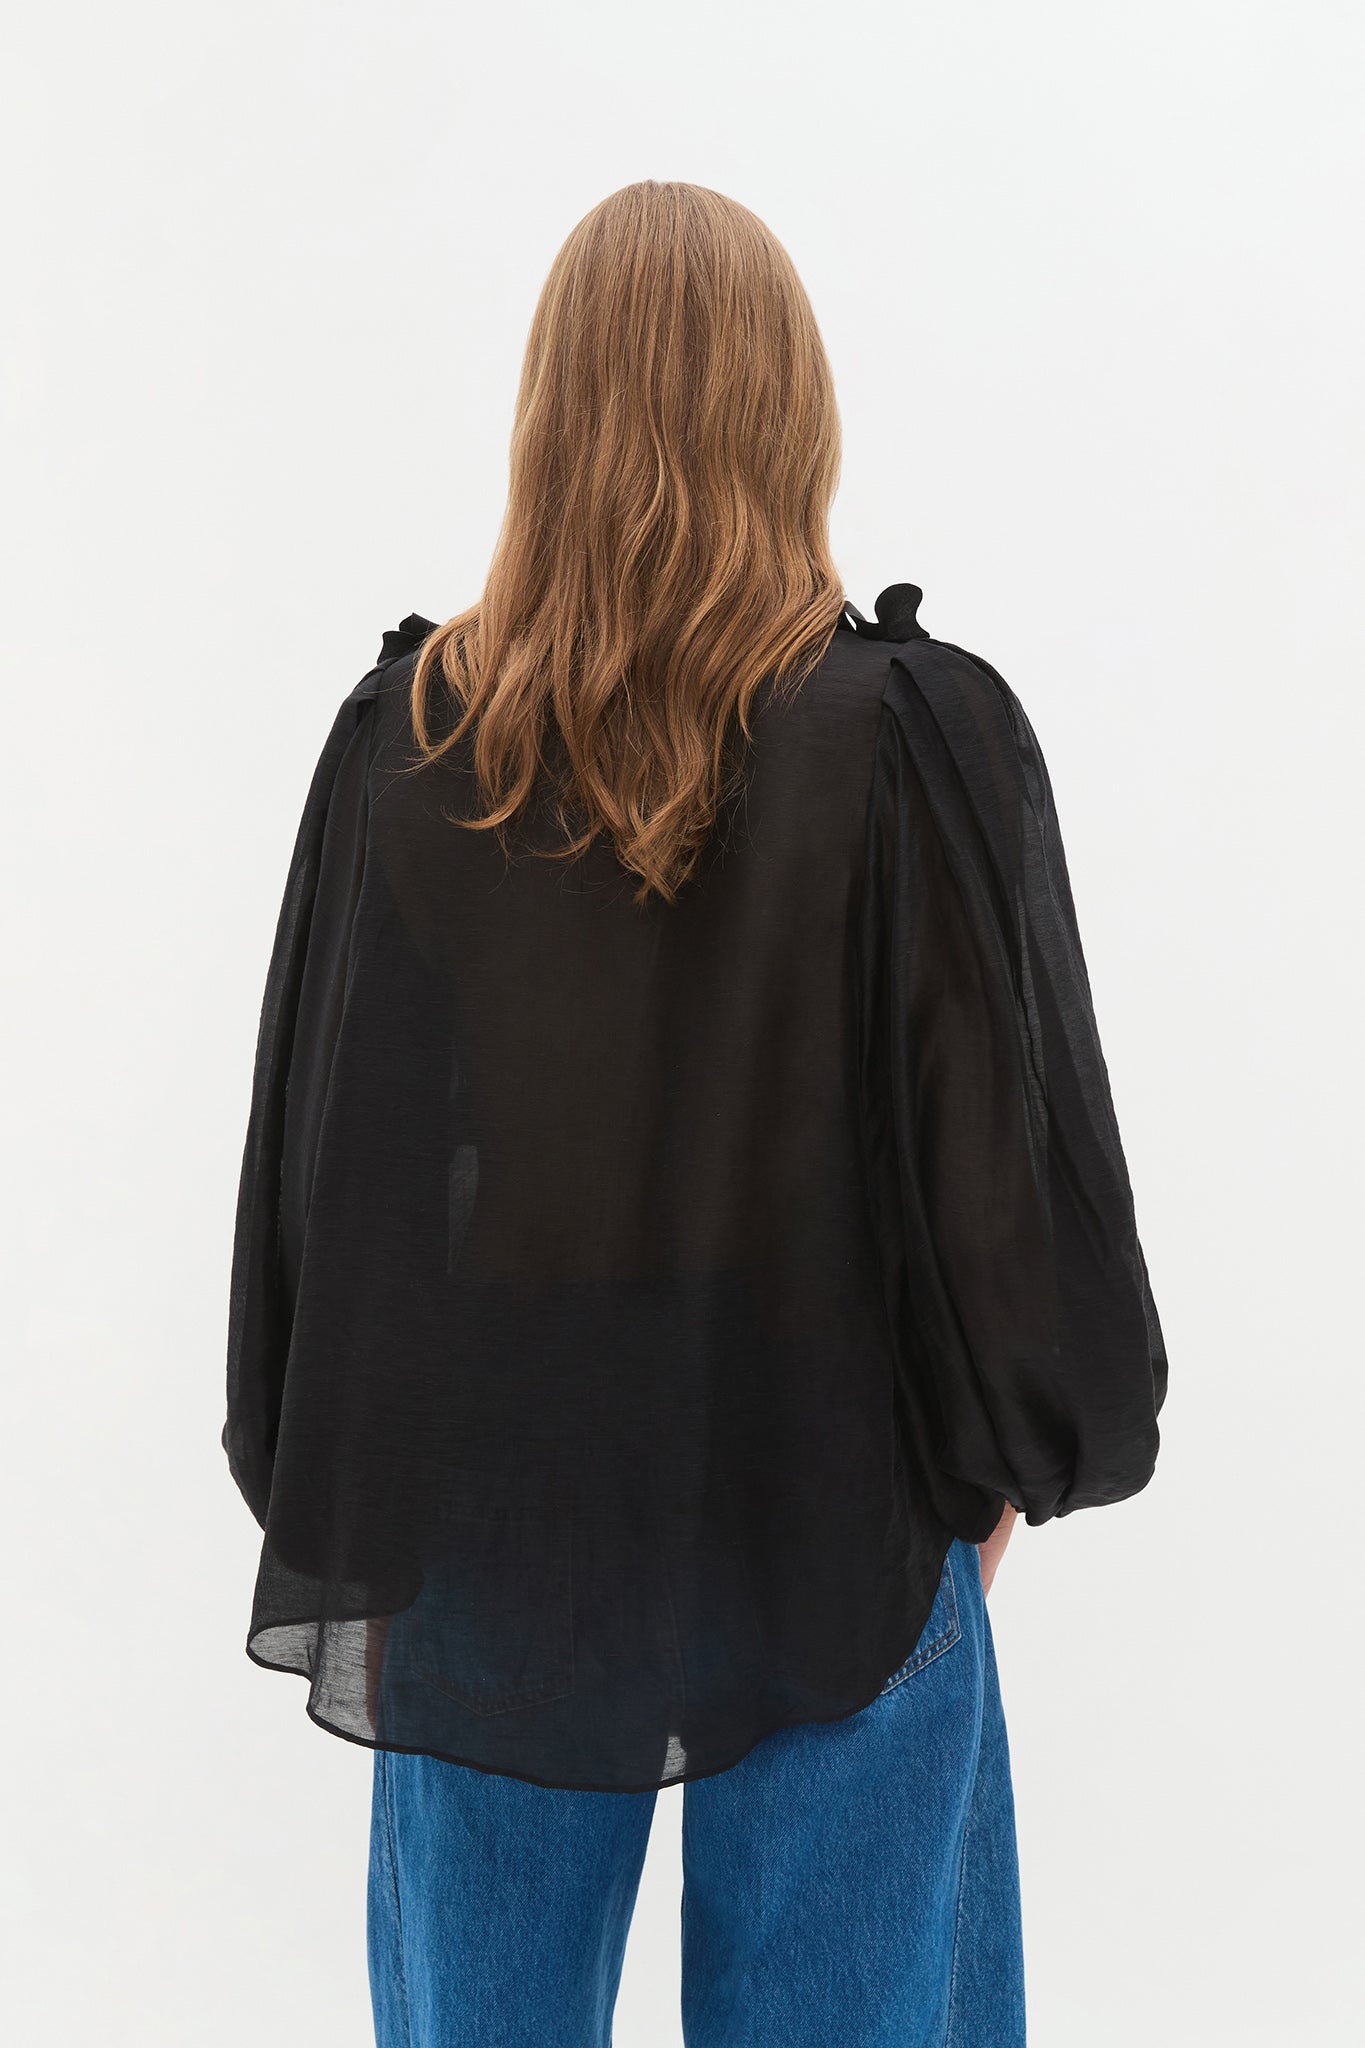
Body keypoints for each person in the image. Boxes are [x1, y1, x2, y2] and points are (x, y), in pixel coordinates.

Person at [223, 180, 1166, 2048]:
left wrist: (331, 1478)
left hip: (494, 1508)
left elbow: (333, 1181)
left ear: (547, 413)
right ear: (790, 408)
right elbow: (993, 1158)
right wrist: (1005, 1454)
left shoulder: (411, 740)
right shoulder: (903, 734)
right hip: (837, 1488)